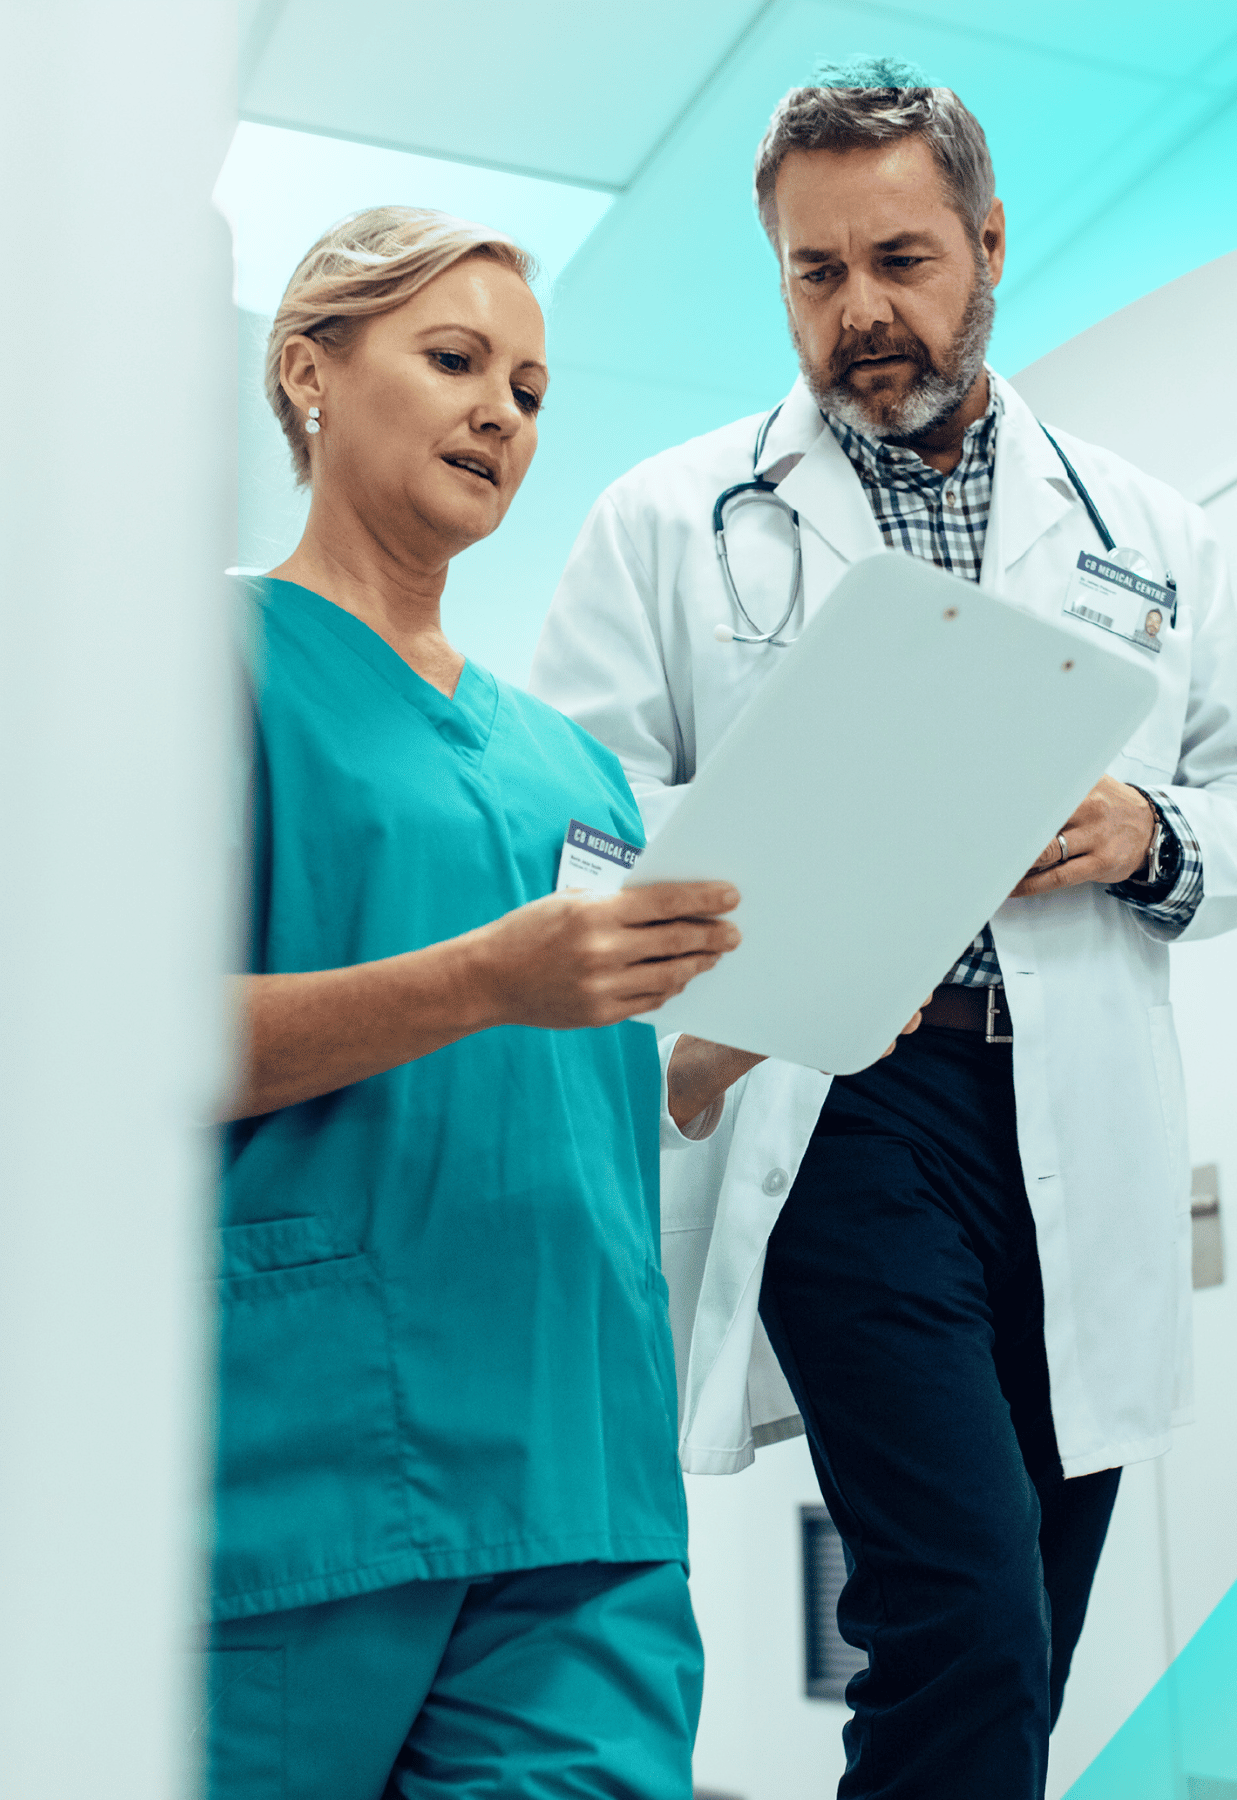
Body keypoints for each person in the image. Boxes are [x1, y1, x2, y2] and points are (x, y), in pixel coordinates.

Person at [532, 61, 1237, 1800]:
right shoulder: (667, 521)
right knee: (961, 1613)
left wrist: (1139, 829)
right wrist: (768, 851)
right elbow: (574, 824)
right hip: (838, 1100)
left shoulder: (1151, 537)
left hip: (1069, 1117)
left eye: (902, 260)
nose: (863, 313)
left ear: (990, 244)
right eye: (818, 275)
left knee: (1028, 1615)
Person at [208, 207, 743, 1800]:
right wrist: (481, 980)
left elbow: (578, 1076)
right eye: (454, 361)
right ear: (310, 372)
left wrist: (737, 1033)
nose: (502, 413)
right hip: (293, 1471)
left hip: (581, 1472)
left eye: (529, 389)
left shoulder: (573, 767)